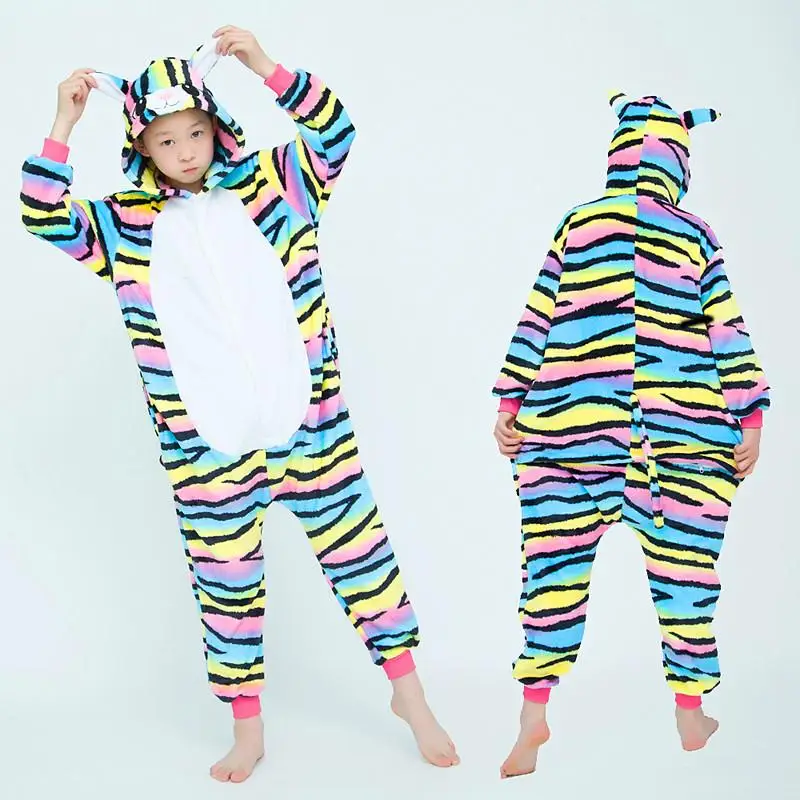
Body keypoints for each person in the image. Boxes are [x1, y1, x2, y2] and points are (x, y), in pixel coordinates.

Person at [20, 24, 459, 783]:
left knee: (365, 563)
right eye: (166, 141)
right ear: (141, 148)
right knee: (228, 591)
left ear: (217, 126)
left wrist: (264, 65)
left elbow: (337, 132)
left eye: (196, 132)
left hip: (312, 430)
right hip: (207, 452)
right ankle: (248, 730)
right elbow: (42, 212)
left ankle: (411, 697)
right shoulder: (122, 226)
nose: (186, 151)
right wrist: (63, 122)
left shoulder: (277, 184)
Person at [491, 91, 770, 779]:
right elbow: (726, 329)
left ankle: (533, 711)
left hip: (570, 434)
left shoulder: (577, 225)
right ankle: (689, 711)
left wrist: (512, 400)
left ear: (616, 156)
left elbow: (537, 315)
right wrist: (751, 417)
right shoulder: (695, 234)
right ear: (677, 161)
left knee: (550, 575)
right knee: (687, 577)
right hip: (680, 442)